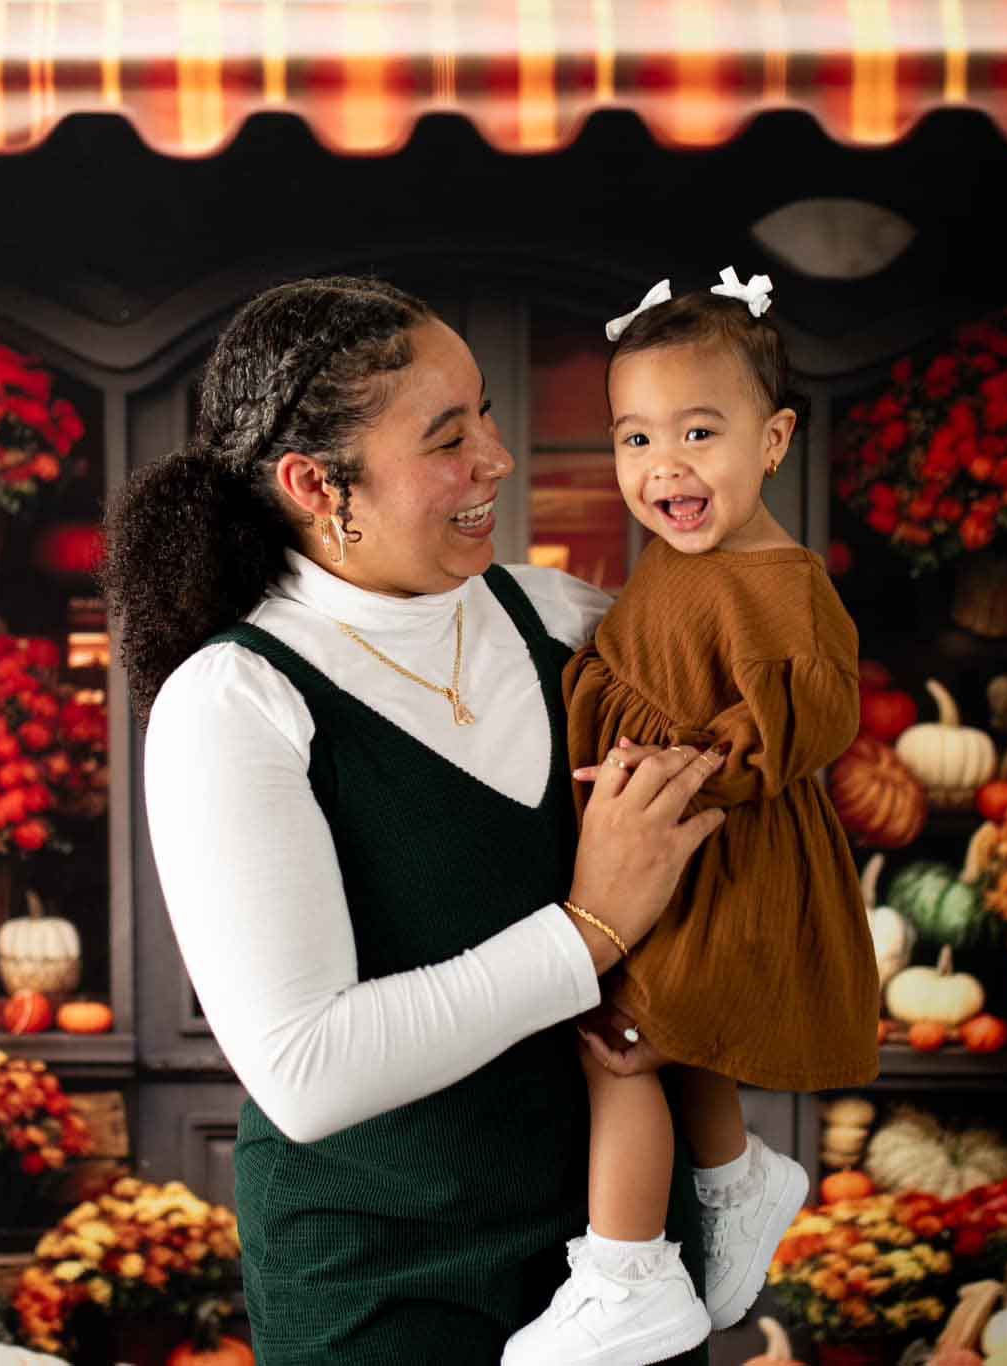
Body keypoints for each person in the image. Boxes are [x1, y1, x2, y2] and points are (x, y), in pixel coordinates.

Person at [106, 275, 727, 1365]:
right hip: (379, 1280)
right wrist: (590, 929)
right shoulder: (236, 698)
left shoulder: (558, 620)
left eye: (483, 411)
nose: (496, 456)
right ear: (314, 483)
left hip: (617, 1251)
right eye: (448, 436)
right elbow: (306, 1068)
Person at [504, 272, 882, 1366]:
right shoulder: (679, 562)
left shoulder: (780, 579)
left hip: (721, 843)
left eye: (698, 432)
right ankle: (732, 1177)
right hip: (667, 838)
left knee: (621, 1042)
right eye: (632, 437)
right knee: (671, 1040)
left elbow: (812, 710)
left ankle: (626, 1276)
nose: (661, 464)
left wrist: (688, 767)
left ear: (770, 442)